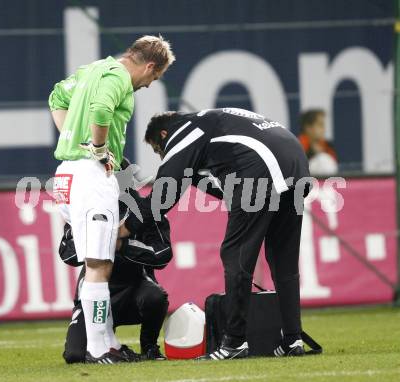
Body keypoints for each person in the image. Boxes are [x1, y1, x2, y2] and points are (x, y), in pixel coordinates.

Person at [142, 108, 311, 360]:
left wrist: (133, 219)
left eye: (159, 149)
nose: (162, 155)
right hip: (296, 165)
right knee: (282, 259)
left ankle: (234, 342)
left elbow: (164, 192)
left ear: (164, 133)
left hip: (262, 169)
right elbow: (221, 185)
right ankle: (292, 339)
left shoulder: (184, 130)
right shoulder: (215, 121)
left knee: (235, 255)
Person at [48, 35, 175, 364]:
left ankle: (104, 345)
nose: (149, 85)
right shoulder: (119, 77)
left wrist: (71, 140)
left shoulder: (91, 70)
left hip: (66, 174)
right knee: (99, 265)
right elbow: (103, 108)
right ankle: (99, 347)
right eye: (154, 78)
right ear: (149, 66)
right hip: (91, 176)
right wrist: (99, 148)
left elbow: (56, 97)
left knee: (97, 263)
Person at [59, 191, 172, 363]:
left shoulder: (145, 210)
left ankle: (149, 347)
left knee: (155, 298)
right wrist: (96, 240)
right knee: (75, 355)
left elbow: (162, 254)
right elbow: (67, 253)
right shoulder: (85, 210)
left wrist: (120, 244)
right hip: (94, 299)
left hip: (134, 289)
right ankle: (120, 351)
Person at [298, 109, 338, 175]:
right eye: (320, 125)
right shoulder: (297, 146)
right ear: (308, 128)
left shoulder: (328, 146)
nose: (324, 129)